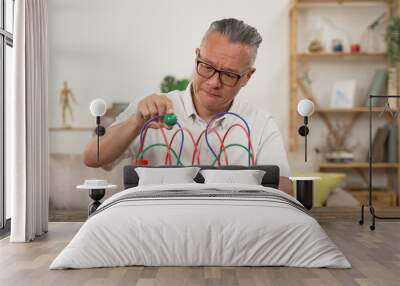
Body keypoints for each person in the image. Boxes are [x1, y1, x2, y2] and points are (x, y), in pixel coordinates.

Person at [83, 18, 292, 195]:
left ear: (247, 76)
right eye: (207, 67)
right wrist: (135, 123)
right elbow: (93, 157)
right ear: (197, 57)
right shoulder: (150, 110)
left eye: (229, 75)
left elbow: (284, 190)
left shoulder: (260, 124)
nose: (213, 82)